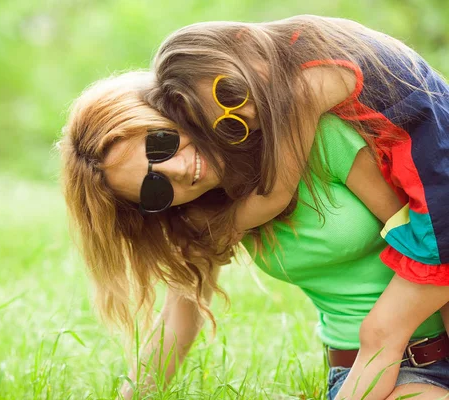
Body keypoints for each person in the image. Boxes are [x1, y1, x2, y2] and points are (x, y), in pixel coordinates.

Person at [59, 71, 449, 400]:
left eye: (160, 143)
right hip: (381, 375)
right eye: (154, 188)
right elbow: (178, 322)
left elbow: (437, 243)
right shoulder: (207, 218)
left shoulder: (316, 134)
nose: (178, 169)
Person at [147, 15, 449, 399]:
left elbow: (275, 195)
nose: (249, 115)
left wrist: (218, 227)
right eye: (230, 126)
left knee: (380, 333)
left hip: (440, 204)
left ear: (242, 42)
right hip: (434, 196)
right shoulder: (312, 43)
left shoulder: (303, 87)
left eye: (231, 94)